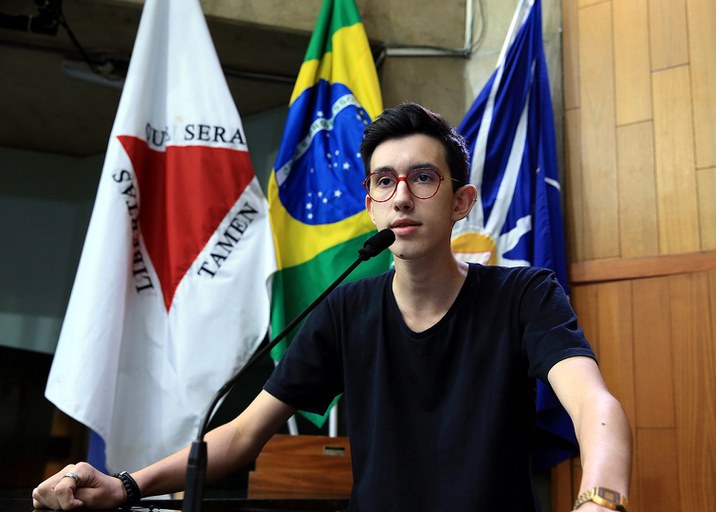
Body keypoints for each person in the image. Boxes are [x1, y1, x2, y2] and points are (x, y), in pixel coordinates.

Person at [33, 103, 632, 511]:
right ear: (370, 204)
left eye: (424, 178)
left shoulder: (524, 295)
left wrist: (599, 500)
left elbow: (594, 405)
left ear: (461, 201)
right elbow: (241, 436)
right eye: (384, 181)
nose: (402, 197)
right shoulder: (346, 309)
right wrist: (125, 486)